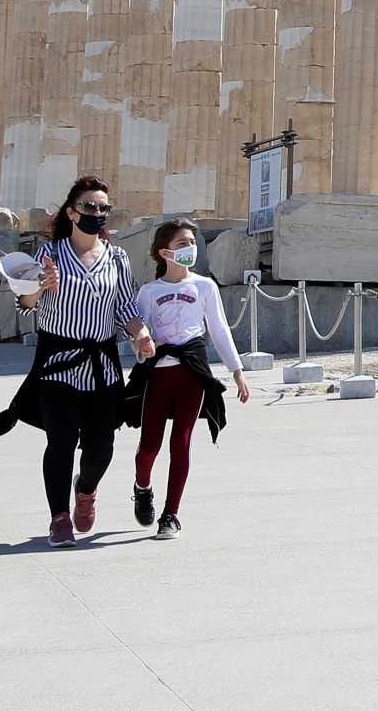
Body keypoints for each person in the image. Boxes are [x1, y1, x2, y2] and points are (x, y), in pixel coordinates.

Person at [0, 176, 152, 547]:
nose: (96, 214)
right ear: (71, 212)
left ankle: (87, 489)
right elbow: (26, 305)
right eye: (89, 207)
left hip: (102, 364)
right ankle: (59, 519)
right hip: (57, 362)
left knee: (102, 446)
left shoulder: (117, 256)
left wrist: (140, 333)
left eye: (102, 208)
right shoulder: (50, 255)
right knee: (60, 441)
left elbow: (125, 304)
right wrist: (38, 290)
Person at [125, 219, 247, 540]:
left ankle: (171, 514)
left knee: (180, 443)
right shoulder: (149, 292)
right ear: (165, 252)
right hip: (160, 373)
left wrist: (237, 372)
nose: (190, 248)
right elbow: (139, 336)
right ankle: (142, 487)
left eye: (192, 242)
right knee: (150, 445)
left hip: (192, 371)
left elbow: (219, 329)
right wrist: (143, 347)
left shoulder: (204, 286)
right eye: (183, 244)